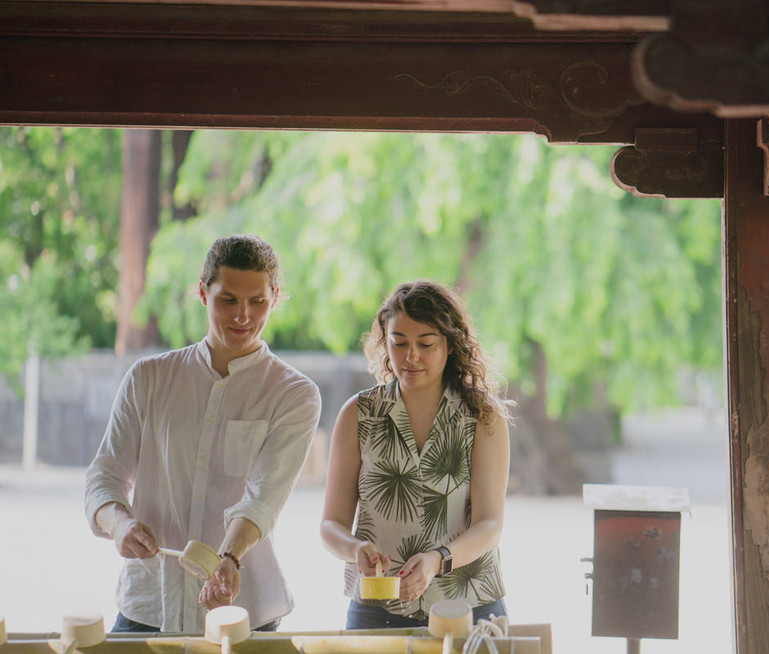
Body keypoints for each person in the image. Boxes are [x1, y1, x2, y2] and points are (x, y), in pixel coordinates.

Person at [84, 234, 322, 633]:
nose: (243, 315)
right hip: (147, 605)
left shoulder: (295, 394)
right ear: (202, 293)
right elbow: (103, 478)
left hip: (243, 612)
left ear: (276, 298)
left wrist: (227, 560)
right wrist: (118, 524)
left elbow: (263, 498)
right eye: (228, 300)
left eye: (257, 302)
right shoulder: (148, 378)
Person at [320, 280, 514, 630]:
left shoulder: (483, 417)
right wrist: (355, 549)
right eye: (398, 343)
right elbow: (330, 525)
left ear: (450, 346)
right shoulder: (358, 414)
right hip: (377, 608)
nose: (411, 357)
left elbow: (490, 524)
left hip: (468, 604)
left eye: (426, 344)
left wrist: (437, 561)